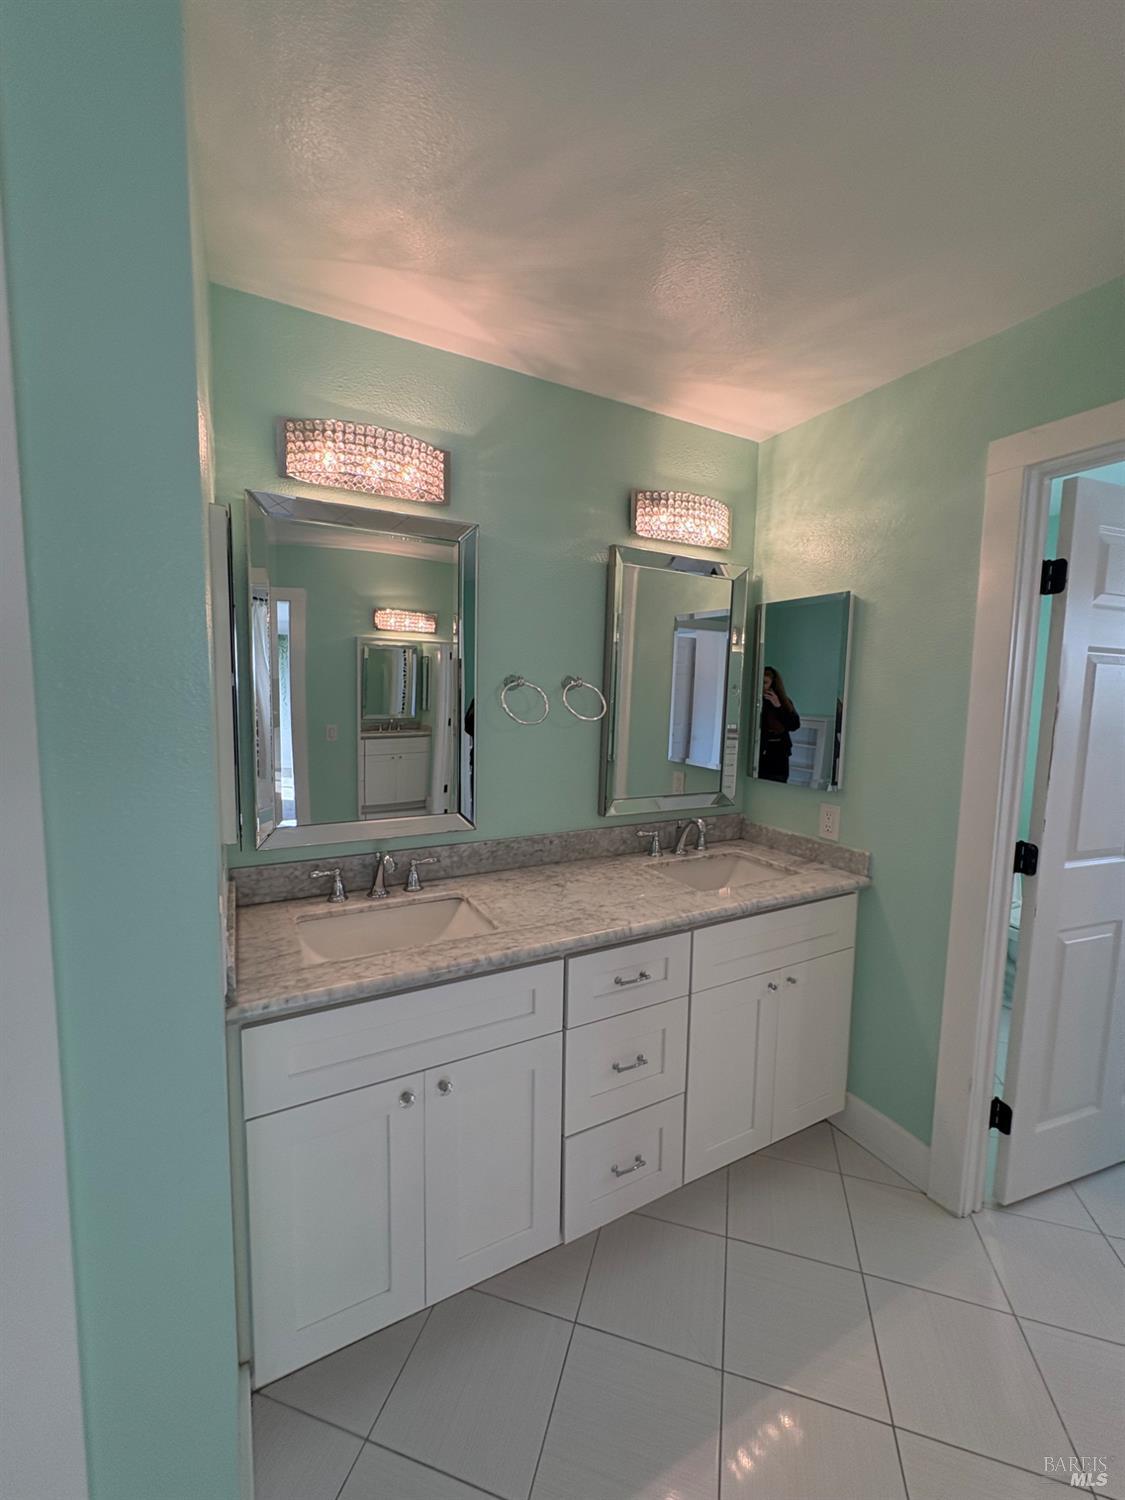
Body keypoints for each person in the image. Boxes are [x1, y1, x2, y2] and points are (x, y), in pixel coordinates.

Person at [758, 666, 800, 782]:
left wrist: (778, 706)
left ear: (773, 684)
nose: (762, 686)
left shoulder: (783, 701)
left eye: (765, 683)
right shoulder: (755, 701)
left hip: (779, 752)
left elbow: (794, 725)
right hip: (759, 750)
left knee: (777, 781)